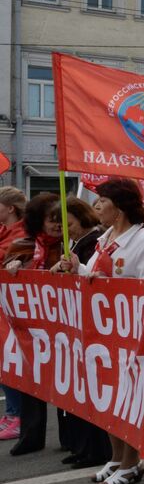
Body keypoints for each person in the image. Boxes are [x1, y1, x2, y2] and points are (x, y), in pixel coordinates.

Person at [55, 178, 144, 484]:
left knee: (127, 399)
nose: (96, 207)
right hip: (103, 334)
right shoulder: (105, 238)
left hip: (130, 336)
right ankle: (116, 457)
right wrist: (77, 267)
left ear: (118, 206)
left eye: (101, 201)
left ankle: (132, 463)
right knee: (107, 398)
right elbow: (94, 275)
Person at [4, 193, 62, 456]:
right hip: (31, 326)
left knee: (65, 380)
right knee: (30, 376)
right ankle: (30, 434)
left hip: (61, 324)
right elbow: (6, 272)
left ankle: (71, 438)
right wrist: (14, 266)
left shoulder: (68, 247)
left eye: (61, 219)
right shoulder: (23, 245)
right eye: (51, 219)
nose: (57, 224)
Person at [56, 198, 111, 467]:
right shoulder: (75, 243)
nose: (68, 229)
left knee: (93, 388)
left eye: (71, 224)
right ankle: (82, 446)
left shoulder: (94, 241)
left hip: (92, 323)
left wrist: (76, 269)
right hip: (75, 322)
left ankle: (96, 449)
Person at [0, 187, 25, 441]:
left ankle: (16, 414)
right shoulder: (6, 231)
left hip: (10, 308)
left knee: (9, 360)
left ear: (10, 208)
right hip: (3, 306)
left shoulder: (20, 233)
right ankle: (11, 413)